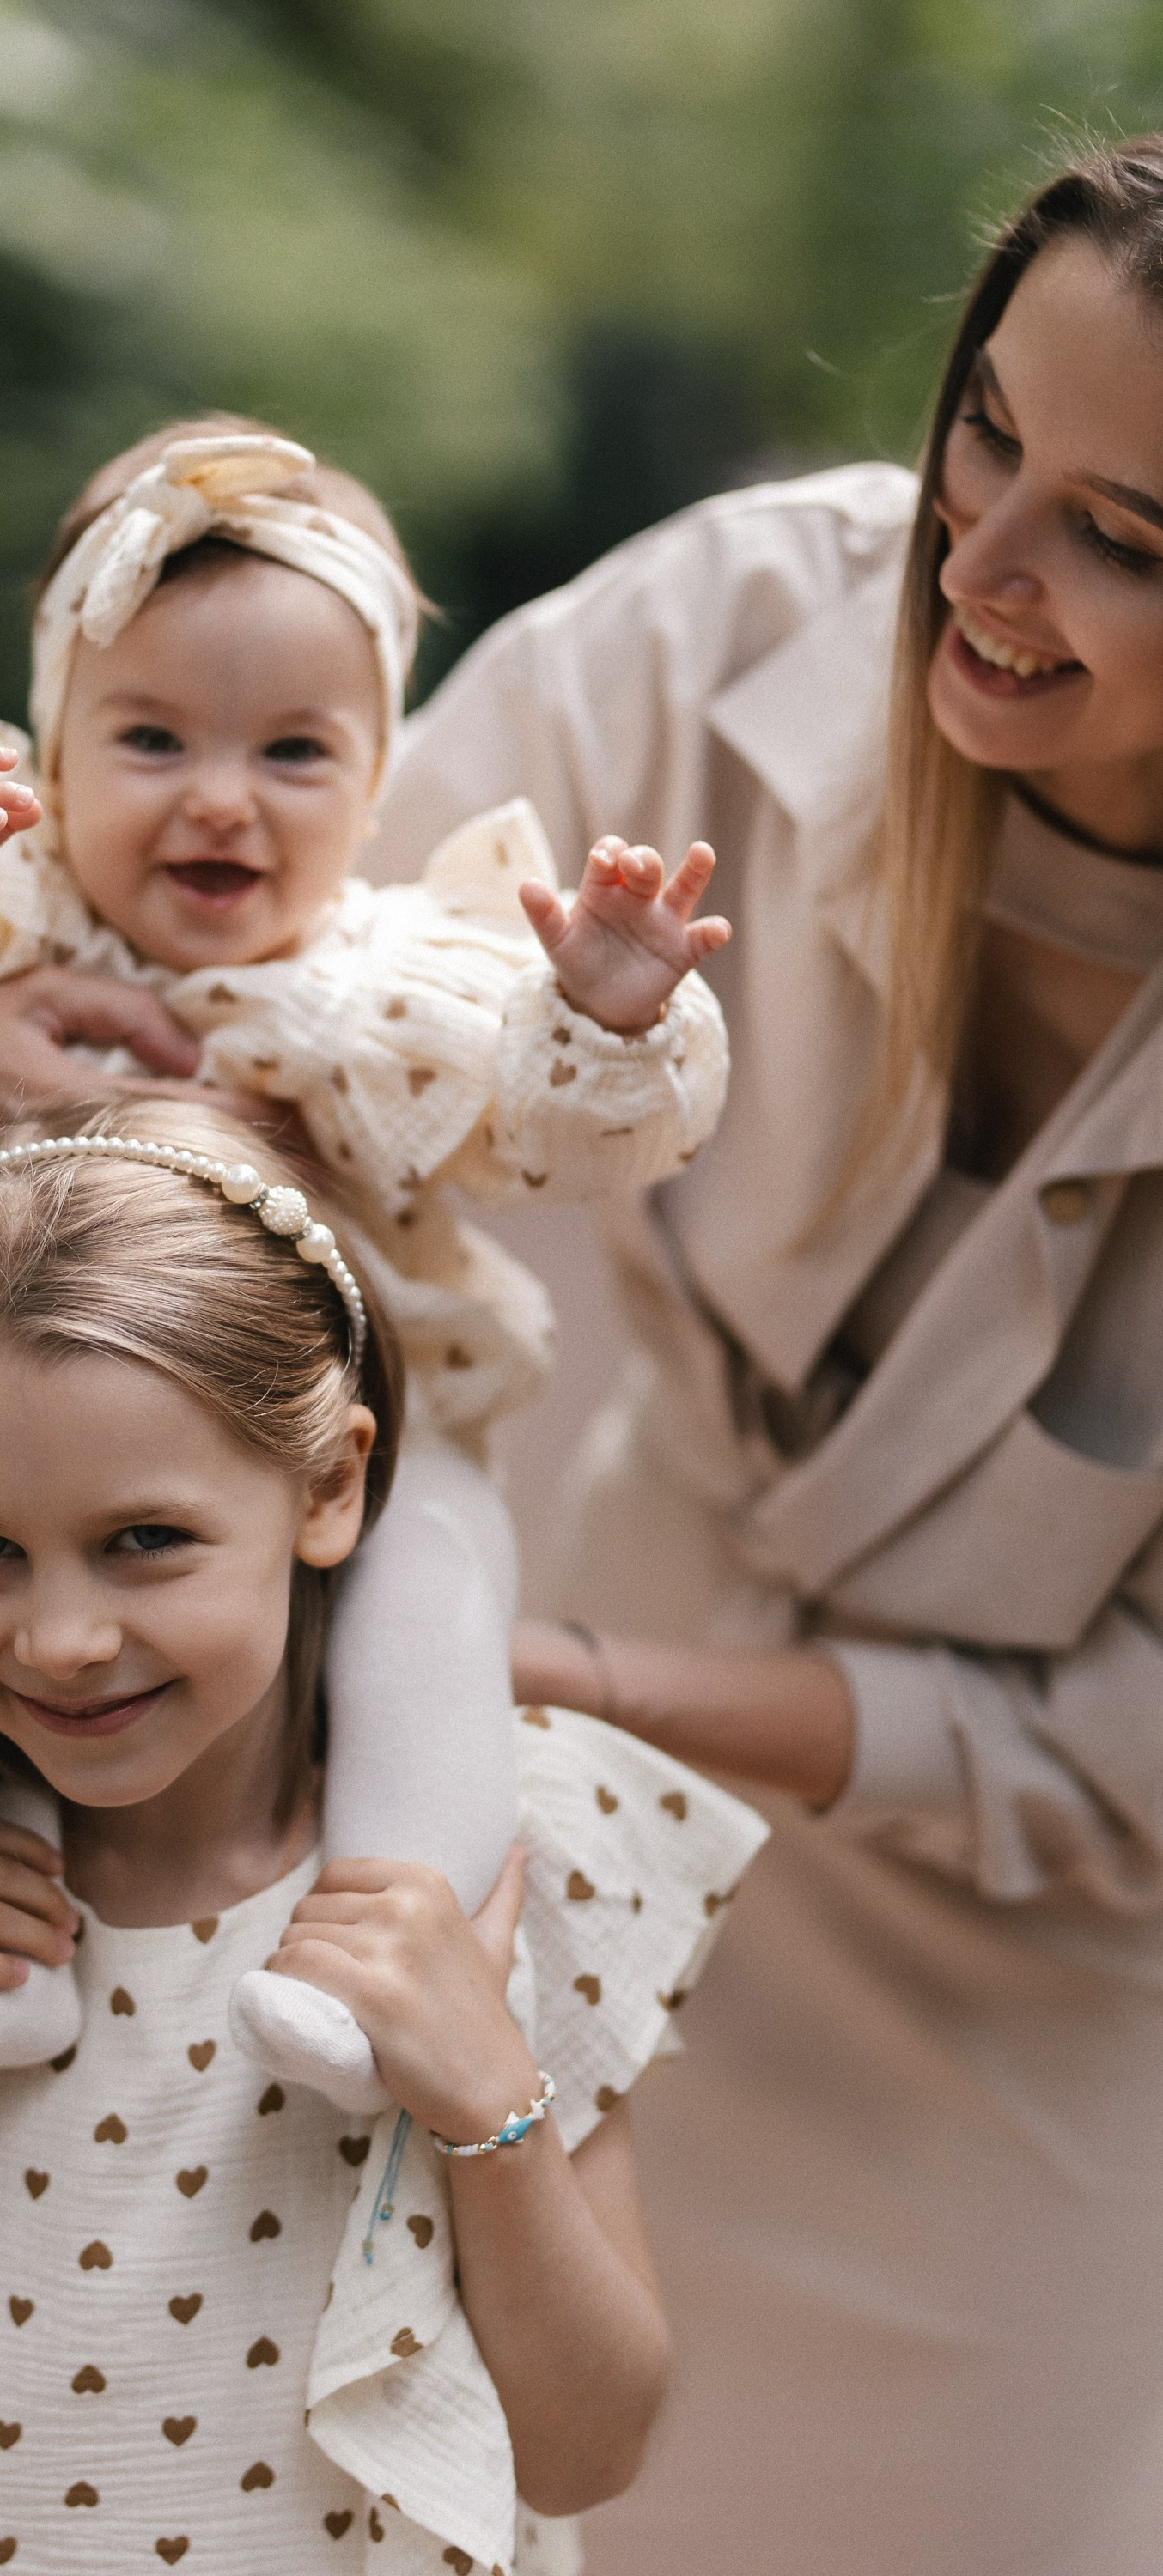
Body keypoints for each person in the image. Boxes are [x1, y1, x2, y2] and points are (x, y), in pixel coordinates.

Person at [352, 135, 1163, 2576]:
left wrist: (600, 1675)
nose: (980, 562)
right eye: (987, 429)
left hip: (1050, 1991)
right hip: (577, 1867)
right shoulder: (731, 628)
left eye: (1128, 537)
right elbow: (317, 970)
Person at [0, 1094, 766, 2576]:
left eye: (144, 1541)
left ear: (328, 1485)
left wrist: (489, 2101)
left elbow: (589, 2447)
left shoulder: (495, 1868)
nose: (60, 1637)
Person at [0, 416, 729, 2109]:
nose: (219, 797)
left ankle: (388, 1952)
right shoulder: (12, 908)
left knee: (437, 1607)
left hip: (365, 1428)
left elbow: (576, 1146)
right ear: (53, 749)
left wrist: (602, 1023)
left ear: (374, 779)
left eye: (292, 752)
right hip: (36, 1410)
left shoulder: (404, 978)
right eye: (150, 738)